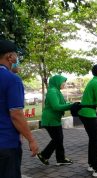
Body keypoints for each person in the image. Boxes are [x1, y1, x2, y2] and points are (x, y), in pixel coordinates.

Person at [0, 40, 39, 178]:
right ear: (10, 57)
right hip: (6, 144)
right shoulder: (12, 79)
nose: (17, 60)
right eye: (16, 56)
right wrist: (31, 139)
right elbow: (16, 114)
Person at [36, 75, 73, 166]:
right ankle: (44, 155)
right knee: (57, 139)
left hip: (54, 119)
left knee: (58, 139)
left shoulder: (56, 91)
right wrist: (71, 106)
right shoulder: (52, 91)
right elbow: (56, 107)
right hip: (50, 120)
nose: (64, 84)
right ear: (57, 82)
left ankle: (59, 159)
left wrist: (70, 104)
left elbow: (60, 104)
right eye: (62, 82)